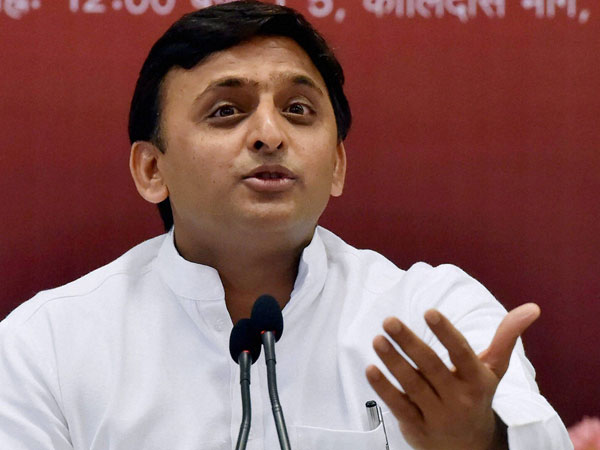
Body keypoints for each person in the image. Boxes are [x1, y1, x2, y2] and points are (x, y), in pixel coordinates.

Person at [0, 1, 572, 449]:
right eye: (226, 111)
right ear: (152, 169)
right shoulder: (45, 346)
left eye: (298, 110)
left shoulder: (432, 312)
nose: (270, 135)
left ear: (338, 165)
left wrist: (480, 443)